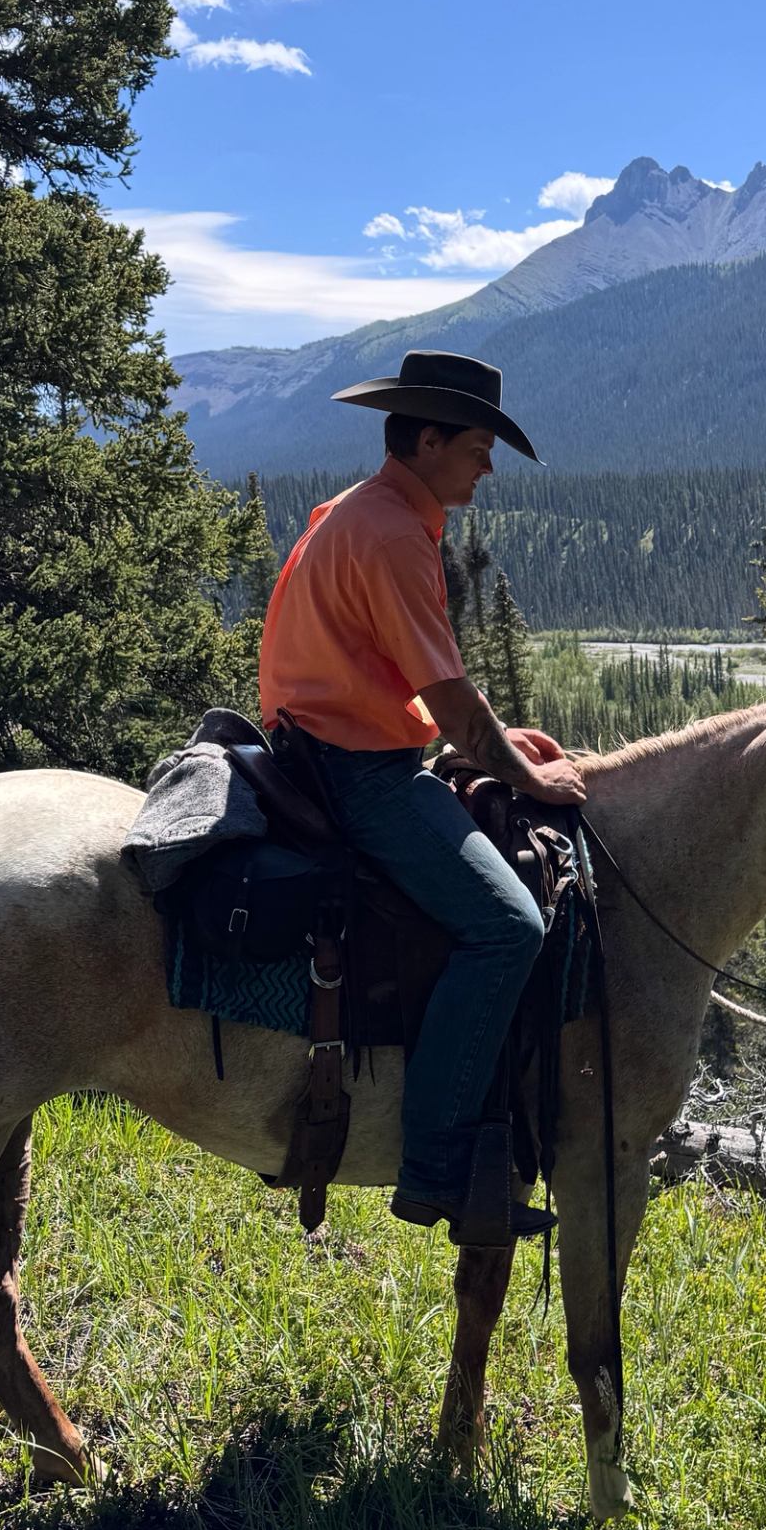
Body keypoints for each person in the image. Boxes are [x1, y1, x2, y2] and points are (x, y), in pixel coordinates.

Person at [257, 349, 586, 1247]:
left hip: (319, 745)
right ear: (430, 439)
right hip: (355, 771)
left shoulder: (355, 511)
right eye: (479, 446)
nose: (487, 465)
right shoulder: (397, 535)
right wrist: (527, 773)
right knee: (509, 926)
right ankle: (435, 1163)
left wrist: (484, 741)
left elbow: (400, 680)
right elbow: (448, 704)